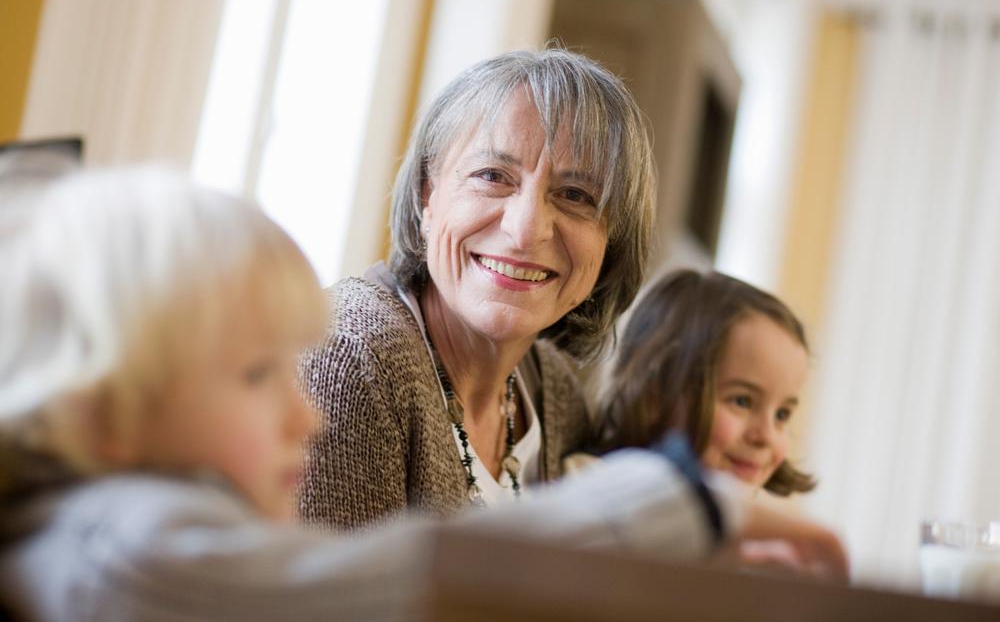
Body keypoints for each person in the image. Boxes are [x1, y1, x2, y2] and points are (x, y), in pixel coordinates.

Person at [0, 169, 848, 620]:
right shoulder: (122, 554)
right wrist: (696, 501)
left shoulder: (101, 531)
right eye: (260, 376)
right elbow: (414, 574)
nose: (306, 411)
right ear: (99, 415)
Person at [299, 48, 656, 529]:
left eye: (576, 196)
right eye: (492, 176)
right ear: (429, 198)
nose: (526, 229)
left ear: (611, 242)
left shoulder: (555, 395)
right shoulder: (348, 359)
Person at [587, 268, 816, 495]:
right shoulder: (590, 490)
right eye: (742, 401)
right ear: (655, 394)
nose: (766, 436)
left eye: (782, 415)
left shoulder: (742, 524)